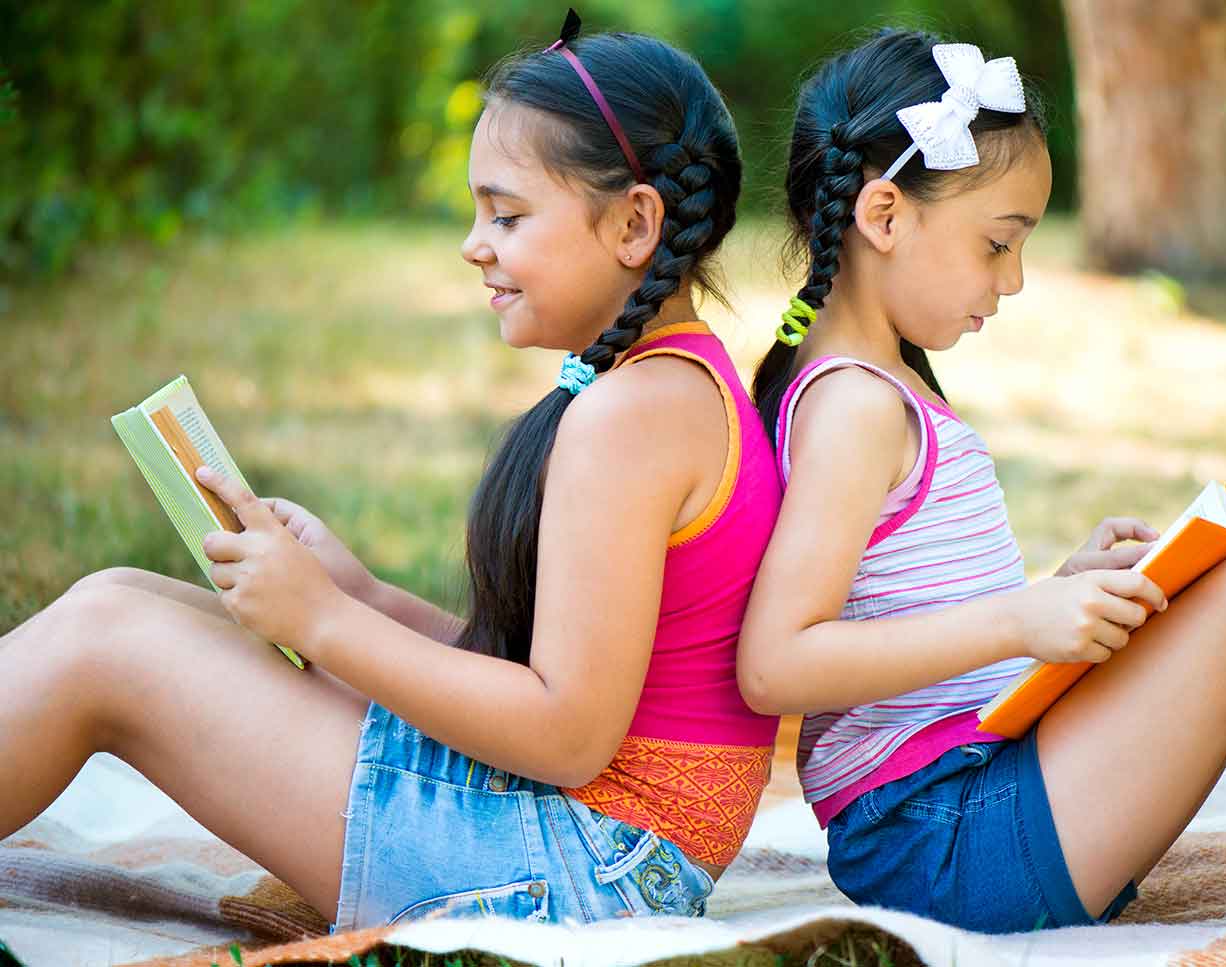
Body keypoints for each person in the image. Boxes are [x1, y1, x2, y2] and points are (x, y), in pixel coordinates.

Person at [0, 12, 782, 931]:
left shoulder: (632, 415)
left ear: (635, 222)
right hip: (590, 843)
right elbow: (545, 679)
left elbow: (565, 733)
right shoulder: (670, 386)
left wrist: (324, 622)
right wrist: (361, 593)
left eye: (508, 213)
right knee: (128, 594)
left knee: (108, 641)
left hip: (583, 868)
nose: (474, 242)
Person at [736, 27, 1226, 934]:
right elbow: (775, 662)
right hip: (937, 841)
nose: (1014, 279)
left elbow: (894, 618)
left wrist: (1054, 595)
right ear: (885, 216)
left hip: (974, 794)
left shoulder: (870, 388)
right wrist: (1017, 620)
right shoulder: (852, 405)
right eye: (997, 243)